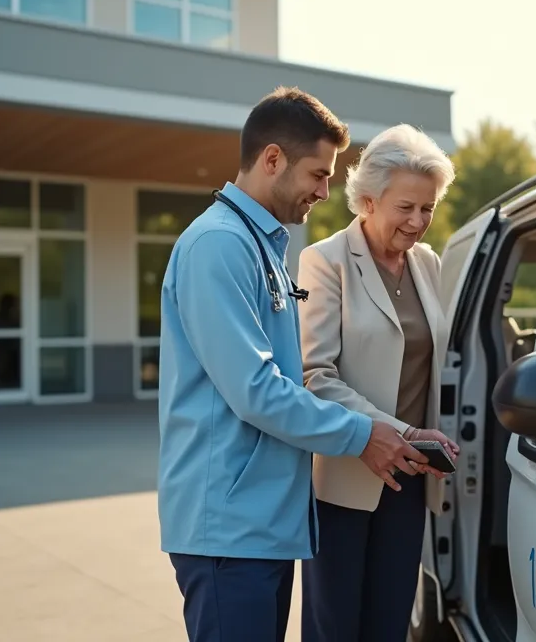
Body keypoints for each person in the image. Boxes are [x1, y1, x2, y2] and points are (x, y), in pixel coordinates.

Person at [156, 87, 431, 642]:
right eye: (318, 174)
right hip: (227, 532)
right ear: (272, 159)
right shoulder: (218, 245)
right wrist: (364, 434)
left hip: (263, 526)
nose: (327, 192)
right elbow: (257, 389)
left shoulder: (260, 247)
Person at [297, 123, 460, 642]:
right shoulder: (324, 261)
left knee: (390, 626)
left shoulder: (428, 265)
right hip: (345, 478)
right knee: (335, 628)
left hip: (409, 482)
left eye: (428, 208)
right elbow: (313, 375)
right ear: (367, 200)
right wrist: (395, 432)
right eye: (406, 207)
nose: (418, 222)